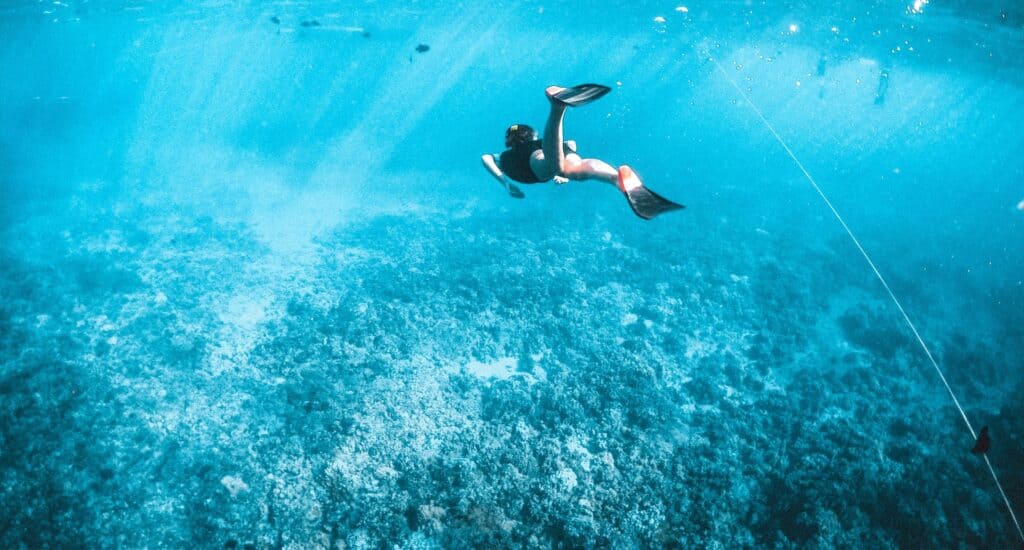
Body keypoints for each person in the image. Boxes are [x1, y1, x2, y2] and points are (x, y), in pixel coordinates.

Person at [481, 84, 684, 220]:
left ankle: (557, 108)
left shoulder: (508, 155)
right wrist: (562, 163)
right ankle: (615, 178)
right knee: (576, 169)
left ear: (510, 139)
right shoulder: (537, 144)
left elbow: (486, 157)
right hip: (550, 149)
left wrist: (505, 183)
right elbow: (571, 144)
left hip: (531, 163)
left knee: (554, 166)